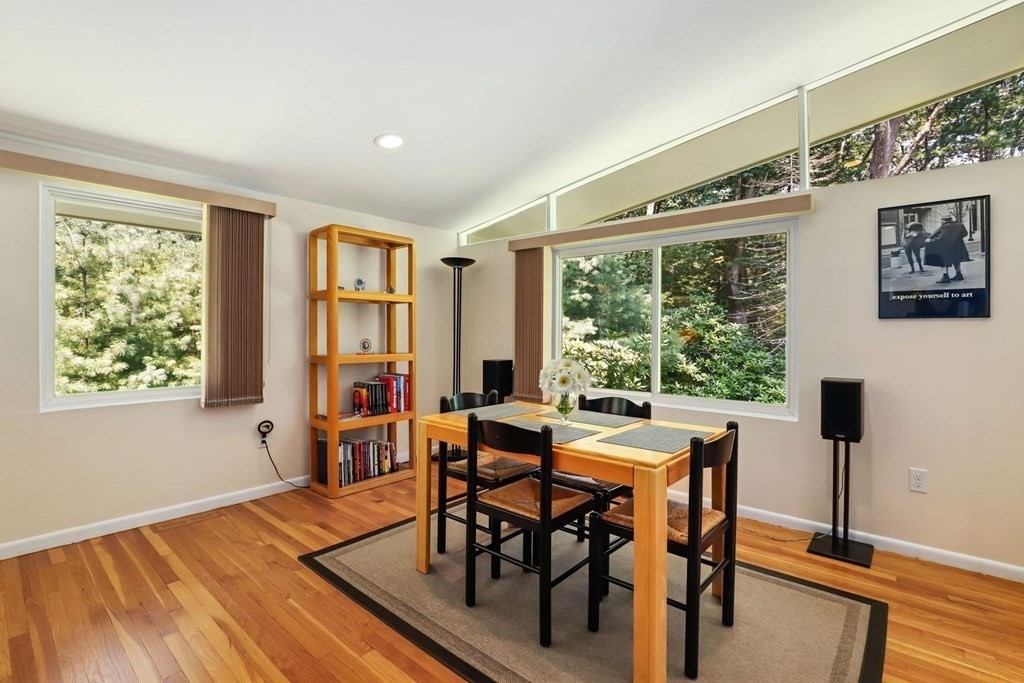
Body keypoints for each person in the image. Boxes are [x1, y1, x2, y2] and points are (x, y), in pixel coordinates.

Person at [924, 215, 970, 283]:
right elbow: (965, 234)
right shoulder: (960, 224)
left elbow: (943, 237)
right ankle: (959, 275)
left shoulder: (945, 226)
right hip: (958, 245)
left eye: (941, 220)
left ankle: (945, 277)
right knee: (956, 259)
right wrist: (956, 238)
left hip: (947, 246)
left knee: (944, 261)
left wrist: (931, 241)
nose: (941, 222)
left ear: (944, 220)